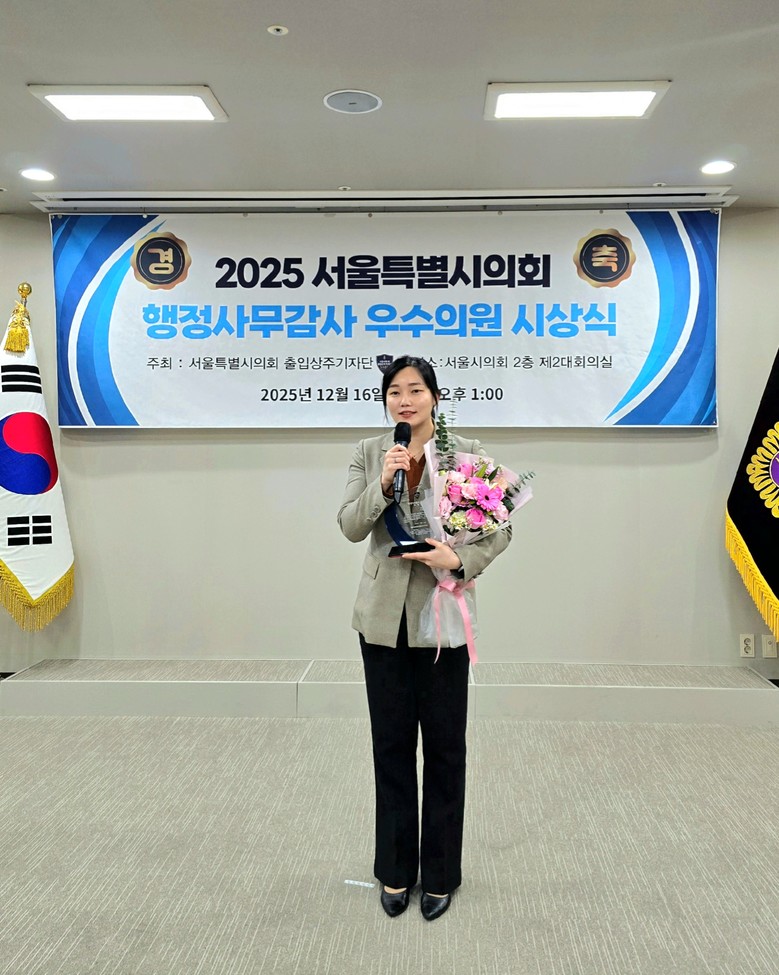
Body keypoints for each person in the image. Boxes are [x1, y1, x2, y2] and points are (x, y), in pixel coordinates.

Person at [337, 355, 511, 921]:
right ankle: (394, 870)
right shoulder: (370, 453)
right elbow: (350, 525)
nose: (404, 400)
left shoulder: (466, 454)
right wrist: (384, 483)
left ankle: (439, 874)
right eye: (395, 392)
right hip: (382, 620)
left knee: (443, 749)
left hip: (442, 619)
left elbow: (500, 528)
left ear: (435, 396)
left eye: (415, 390)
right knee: (390, 746)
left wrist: (457, 558)